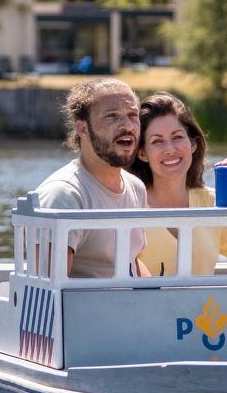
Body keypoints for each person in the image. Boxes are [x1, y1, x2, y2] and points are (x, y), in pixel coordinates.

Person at [31, 78, 150, 279]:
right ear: (82, 128)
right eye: (112, 116)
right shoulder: (64, 195)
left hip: (129, 307)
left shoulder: (136, 187)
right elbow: (48, 290)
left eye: (132, 115)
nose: (127, 125)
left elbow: (131, 263)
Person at [130, 93, 227, 277]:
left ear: (193, 144)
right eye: (157, 141)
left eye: (177, 137)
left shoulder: (214, 203)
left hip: (206, 307)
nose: (170, 149)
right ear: (142, 154)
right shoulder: (130, 206)